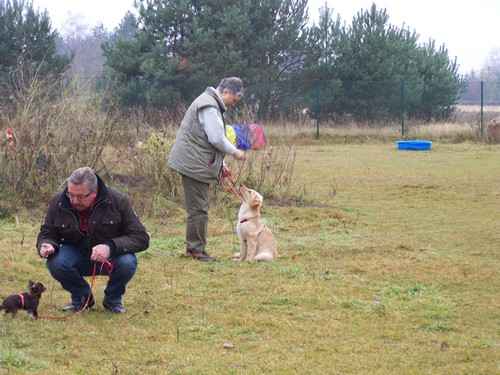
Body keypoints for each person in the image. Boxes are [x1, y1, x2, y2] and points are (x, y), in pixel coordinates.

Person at [36, 167, 150, 313]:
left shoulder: (117, 200)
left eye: (81, 196)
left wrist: (110, 247)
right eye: (71, 194)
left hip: (111, 258)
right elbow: (47, 233)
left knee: (128, 261)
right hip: (76, 254)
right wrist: (47, 245)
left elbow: (141, 237)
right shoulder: (58, 201)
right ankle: (82, 298)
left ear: (94, 192)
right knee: (55, 262)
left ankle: (113, 300)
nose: (74, 201)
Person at [168, 77, 246, 261]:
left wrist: (222, 165)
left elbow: (207, 140)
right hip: (194, 164)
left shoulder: (209, 102)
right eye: (233, 100)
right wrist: (235, 152)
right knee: (198, 208)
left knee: (198, 206)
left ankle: (194, 248)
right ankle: (195, 250)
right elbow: (216, 139)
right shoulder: (209, 107)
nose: (233, 104)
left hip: (196, 161)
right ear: (225, 92)